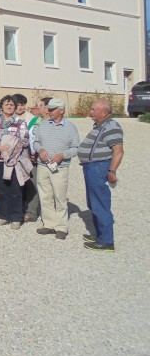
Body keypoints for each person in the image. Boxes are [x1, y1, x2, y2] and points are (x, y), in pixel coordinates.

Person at [77, 99, 123, 252]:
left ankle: (106, 241)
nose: (90, 113)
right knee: (93, 203)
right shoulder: (100, 126)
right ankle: (99, 235)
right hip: (91, 167)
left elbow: (118, 151)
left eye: (93, 110)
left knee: (100, 203)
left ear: (104, 112)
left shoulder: (111, 126)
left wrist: (112, 171)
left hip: (99, 167)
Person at [32, 98, 80, 240]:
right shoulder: (43, 125)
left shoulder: (70, 128)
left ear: (62, 110)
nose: (49, 111)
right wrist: (40, 150)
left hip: (60, 168)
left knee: (59, 196)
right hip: (43, 166)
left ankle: (61, 226)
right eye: (49, 109)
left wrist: (63, 155)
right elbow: (36, 142)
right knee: (45, 195)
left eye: (52, 109)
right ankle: (48, 224)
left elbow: (76, 148)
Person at [0, 95, 32, 230]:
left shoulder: (20, 122)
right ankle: (3, 215)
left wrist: (12, 146)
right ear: (1, 106)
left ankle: (15, 217)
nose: (9, 107)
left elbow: (25, 140)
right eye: (6, 104)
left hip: (15, 161)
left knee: (15, 188)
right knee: (1, 189)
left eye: (12, 105)